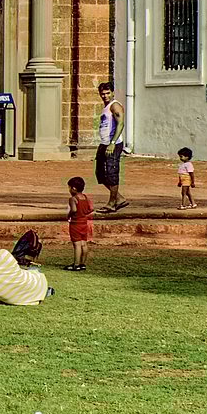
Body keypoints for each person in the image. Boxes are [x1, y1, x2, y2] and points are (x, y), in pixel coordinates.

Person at [95, 81, 127, 212]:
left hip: (113, 144)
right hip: (104, 143)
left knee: (112, 172)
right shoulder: (106, 107)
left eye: (108, 93)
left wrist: (112, 143)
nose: (105, 96)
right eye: (102, 94)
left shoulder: (115, 106)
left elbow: (120, 124)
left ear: (113, 92)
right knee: (100, 174)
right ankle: (120, 198)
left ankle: (112, 203)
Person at [65, 176, 93, 271]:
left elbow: (74, 209)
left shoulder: (73, 199)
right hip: (84, 223)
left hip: (75, 223)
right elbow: (91, 208)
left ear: (74, 188)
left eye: (69, 187)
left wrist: (69, 215)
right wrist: (84, 213)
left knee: (76, 245)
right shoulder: (85, 197)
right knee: (83, 244)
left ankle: (76, 264)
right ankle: (82, 263)